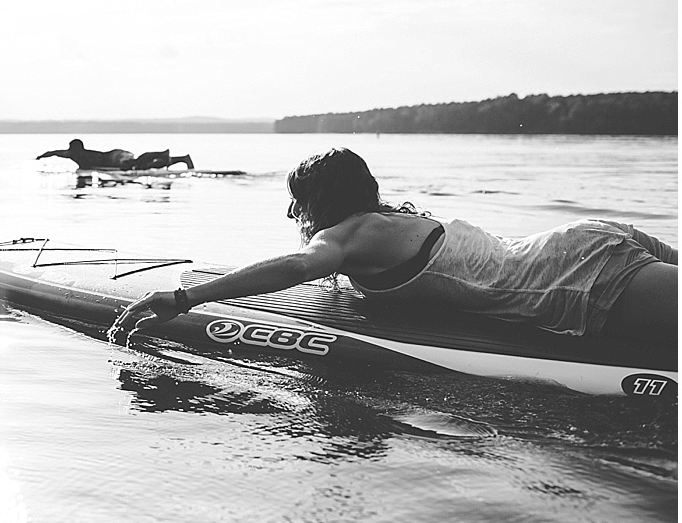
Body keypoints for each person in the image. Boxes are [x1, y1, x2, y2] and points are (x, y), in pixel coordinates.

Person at [111, 147, 677, 345]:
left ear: (320, 201)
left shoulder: (347, 235)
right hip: (584, 244)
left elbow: (296, 266)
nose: (293, 215)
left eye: (298, 203)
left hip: (578, 279)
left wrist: (189, 297)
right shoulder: (389, 222)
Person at [36, 139, 194, 170]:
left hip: (114, 158)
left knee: (136, 163)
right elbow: (54, 152)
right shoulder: (74, 153)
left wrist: (40, 157)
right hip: (115, 155)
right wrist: (40, 157)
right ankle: (181, 159)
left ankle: (162, 154)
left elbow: (55, 152)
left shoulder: (75, 154)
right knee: (142, 166)